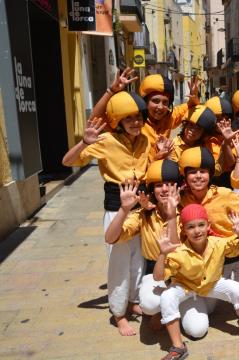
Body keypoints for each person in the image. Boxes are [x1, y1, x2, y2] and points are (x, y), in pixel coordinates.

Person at [62, 91, 151, 335]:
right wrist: (85, 142)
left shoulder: (145, 140)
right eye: (129, 118)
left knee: (138, 261)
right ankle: (118, 312)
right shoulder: (106, 141)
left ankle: (133, 302)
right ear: (119, 121)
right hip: (117, 208)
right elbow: (67, 162)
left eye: (138, 117)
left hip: (140, 208)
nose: (135, 122)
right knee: (118, 264)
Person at [104, 159, 212, 338]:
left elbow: (177, 251)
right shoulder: (143, 214)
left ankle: (169, 310)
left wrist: (171, 216)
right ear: (152, 190)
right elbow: (110, 238)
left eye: (170, 184)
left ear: (178, 187)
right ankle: (160, 311)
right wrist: (124, 209)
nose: (164, 189)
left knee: (197, 330)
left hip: (185, 277)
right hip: (156, 275)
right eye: (159, 185)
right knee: (150, 303)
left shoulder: (188, 212)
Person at [155, 204, 239, 360]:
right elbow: (158, 277)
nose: (197, 231)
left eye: (201, 225)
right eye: (190, 227)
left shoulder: (218, 243)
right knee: (167, 297)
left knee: (236, 288)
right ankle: (178, 347)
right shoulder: (179, 251)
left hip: (211, 285)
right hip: (186, 288)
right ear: (183, 230)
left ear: (208, 225)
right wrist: (162, 254)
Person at [178, 146, 239, 290]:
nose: (198, 176)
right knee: (211, 306)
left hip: (238, 256)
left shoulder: (224, 195)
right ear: (185, 177)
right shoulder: (183, 200)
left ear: (210, 175)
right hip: (211, 261)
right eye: (192, 172)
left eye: (203, 172)